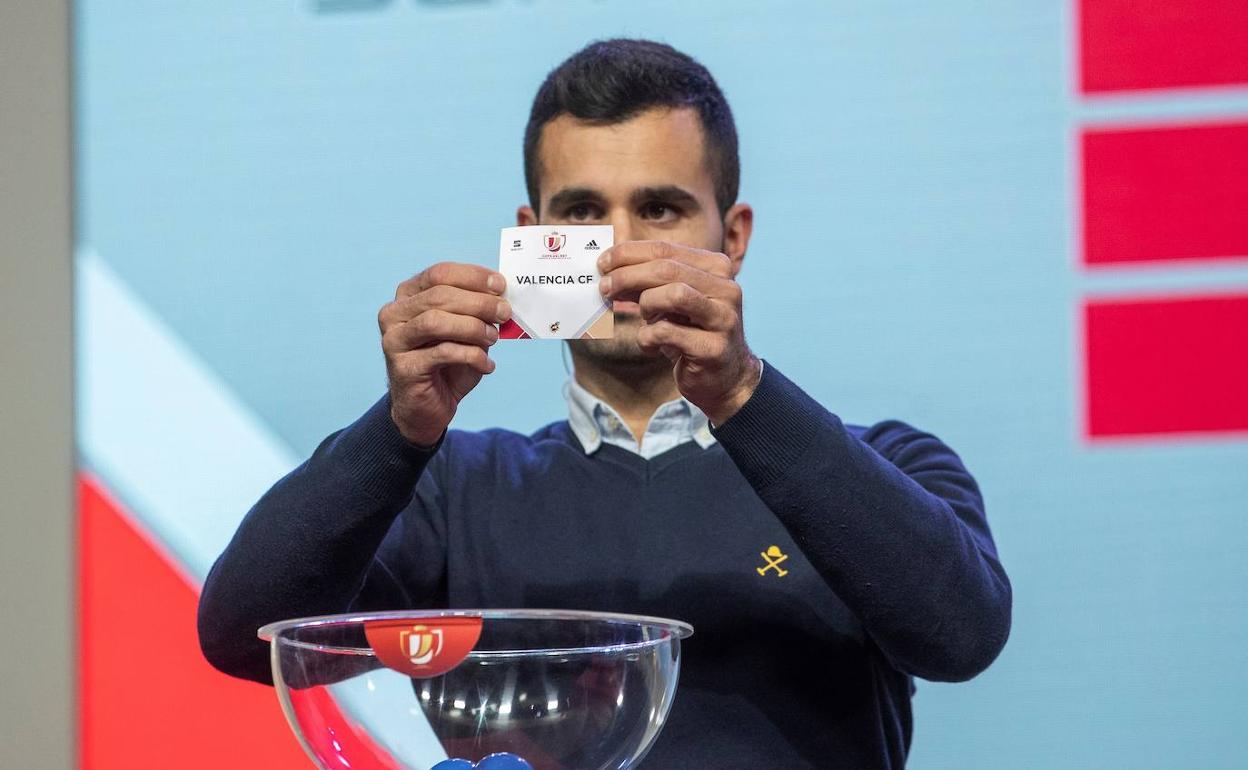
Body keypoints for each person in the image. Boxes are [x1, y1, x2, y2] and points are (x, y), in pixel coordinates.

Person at [197, 38, 1011, 768]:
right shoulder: (457, 488)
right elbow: (243, 635)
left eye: (658, 209)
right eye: (582, 213)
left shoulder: (887, 463)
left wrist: (741, 392)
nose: (617, 249)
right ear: (529, 236)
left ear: (732, 237)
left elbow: (963, 636)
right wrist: (397, 431)